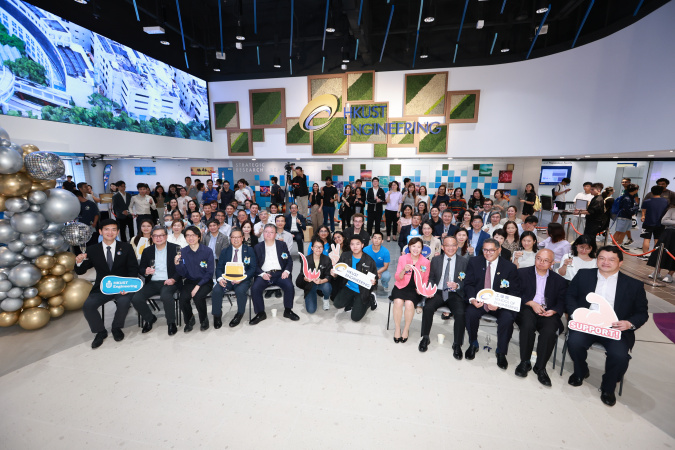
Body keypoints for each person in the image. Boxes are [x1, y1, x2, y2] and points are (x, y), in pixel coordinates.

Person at [566, 246, 649, 406]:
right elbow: (570, 296)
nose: (605, 262)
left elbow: (642, 313)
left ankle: (608, 387)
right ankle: (581, 371)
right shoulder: (584, 275)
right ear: (597, 259)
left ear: (621, 262)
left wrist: (629, 323)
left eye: (611, 259)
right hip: (587, 324)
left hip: (614, 328)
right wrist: (576, 314)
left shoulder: (634, 285)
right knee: (574, 342)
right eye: (602, 258)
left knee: (619, 356)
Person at [74, 219, 139, 348]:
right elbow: (81, 271)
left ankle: (116, 328)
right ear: (100, 231)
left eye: (114, 229)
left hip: (122, 286)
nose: (110, 232)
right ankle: (100, 331)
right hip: (102, 287)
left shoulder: (126, 247)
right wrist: (79, 262)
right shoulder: (93, 249)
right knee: (88, 305)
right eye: (107, 229)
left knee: (124, 302)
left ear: (118, 232)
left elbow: (133, 268)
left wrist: (129, 286)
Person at [464, 238, 521, 369]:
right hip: (480, 301)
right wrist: (473, 299)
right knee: (470, 313)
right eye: (485, 250)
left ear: (499, 250)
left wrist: (499, 304)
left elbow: (514, 291)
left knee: (507, 319)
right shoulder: (474, 262)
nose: (488, 253)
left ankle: (501, 352)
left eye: (491, 250)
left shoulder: (509, 267)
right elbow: (469, 283)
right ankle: (473, 343)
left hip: (500, 304)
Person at [515, 249, 568, 386]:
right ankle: (525, 362)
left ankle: (540, 367)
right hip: (527, 307)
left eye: (546, 260)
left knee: (549, 331)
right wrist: (531, 303)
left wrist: (554, 311)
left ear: (552, 263)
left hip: (548, 312)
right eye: (539, 258)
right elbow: (515, 293)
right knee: (527, 325)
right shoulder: (522, 273)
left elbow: (562, 301)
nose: (541, 262)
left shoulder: (559, 281)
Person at [419, 235, 469, 358]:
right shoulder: (436, 260)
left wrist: (457, 285)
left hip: (455, 293)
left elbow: (468, 280)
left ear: (457, 246)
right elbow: (431, 277)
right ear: (442, 247)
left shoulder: (464, 261)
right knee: (428, 308)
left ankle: (457, 344)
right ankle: (425, 337)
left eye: (453, 245)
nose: (450, 248)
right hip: (438, 291)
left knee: (461, 313)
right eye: (447, 245)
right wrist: (430, 289)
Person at [131, 226, 182, 336]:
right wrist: (145, 271)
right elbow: (140, 268)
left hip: (169, 281)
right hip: (153, 282)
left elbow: (182, 268)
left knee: (165, 295)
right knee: (136, 298)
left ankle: (171, 322)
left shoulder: (176, 248)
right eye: (155, 236)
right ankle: (150, 318)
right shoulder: (147, 251)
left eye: (161, 235)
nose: (158, 238)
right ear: (151, 237)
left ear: (166, 236)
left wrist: (173, 279)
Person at [250, 224, 298, 324]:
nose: (268, 234)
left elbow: (289, 260)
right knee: (255, 288)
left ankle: (288, 310)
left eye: (271, 232)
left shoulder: (282, 245)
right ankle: (260, 313)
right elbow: (254, 264)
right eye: (266, 231)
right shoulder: (257, 247)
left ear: (275, 234)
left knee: (289, 286)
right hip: (264, 274)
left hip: (280, 273)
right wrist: (262, 274)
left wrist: (286, 271)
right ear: (263, 233)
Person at [211, 229, 256, 328]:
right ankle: (217, 315)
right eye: (233, 237)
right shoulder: (225, 251)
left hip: (243, 279)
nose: (236, 239)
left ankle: (239, 314)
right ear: (230, 239)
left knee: (240, 291)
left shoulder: (249, 250)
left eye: (238, 237)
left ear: (242, 238)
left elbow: (252, 268)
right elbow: (219, 268)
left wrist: (242, 279)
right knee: (216, 290)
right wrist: (220, 279)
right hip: (227, 278)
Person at [390, 238, 430, 343]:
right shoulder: (403, 259)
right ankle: (397, 328)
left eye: (418, 247)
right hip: (401, 286)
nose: (416, 249)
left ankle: (406, 329)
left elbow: (425, 279)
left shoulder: (425, 262)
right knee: (398, 302)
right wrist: (404, 270)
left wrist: (421, 289)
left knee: (409, 304)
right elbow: (397, 277)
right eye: (413, 246)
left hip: (415, 289)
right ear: (409, 247)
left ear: (422, 249)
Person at [173, 226, 214, 332]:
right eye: (188, 235)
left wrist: (198, 286)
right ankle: (189, 319)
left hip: (205, 281)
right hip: (190, 281)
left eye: (193, 235)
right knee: (183, 299)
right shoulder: (183, 252)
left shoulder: (207, 251)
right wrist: (177, 264)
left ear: (199, 237)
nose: (190, 238)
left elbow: (209, 273)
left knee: (198, 296)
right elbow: (183, 273)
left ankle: (204, 320)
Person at [331, 236, 378, 322]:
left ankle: (370, 299)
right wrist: (334, 273)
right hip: (348, 287)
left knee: (355, 318)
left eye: (357, 244)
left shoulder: (369, 261)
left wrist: (374, 282)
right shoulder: (345, 255)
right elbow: (337, 270)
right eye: (352, 244)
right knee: (337, 304)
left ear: (362, 245)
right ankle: (352, 301)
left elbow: (375, 279)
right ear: (349, 245)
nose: (355, 246)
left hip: (362, 291)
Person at [296, 237, 333, 313]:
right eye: (316, 247)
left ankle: (326, 299)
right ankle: (311, 293)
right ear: (312, 248)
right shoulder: (306, 259)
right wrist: (306, 279)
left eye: (320, 247)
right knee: (311, 310)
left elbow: (328, 276)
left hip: (321, 283)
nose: (318, 249)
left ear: (323, 248)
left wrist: (321, 281)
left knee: (327, 287)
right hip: (310, 284)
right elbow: (302, 274)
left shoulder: (327, 259)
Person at [640, 185, 669, 260]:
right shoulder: (665, 201)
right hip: (660, 223)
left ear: (652, 192)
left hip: (648, 222)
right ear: (661, 192)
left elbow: (643, 211)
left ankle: (645, 255)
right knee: (657, 239)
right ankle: (655, 256)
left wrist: (643, 216)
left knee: (646, 239)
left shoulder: (647, 201)